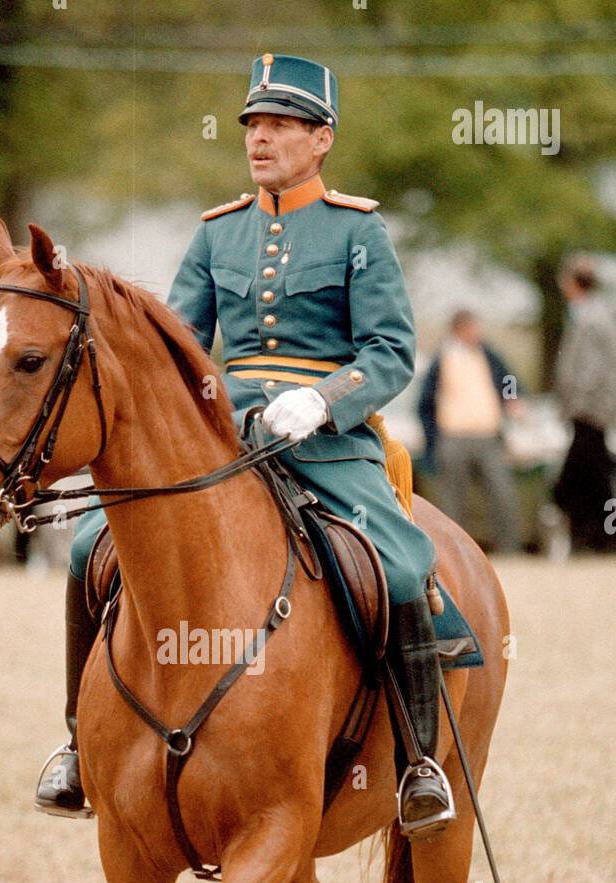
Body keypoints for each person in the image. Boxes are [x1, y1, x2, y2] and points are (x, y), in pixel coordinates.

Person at [36, 52, 456, 841]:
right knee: (89, 545)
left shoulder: (358, 230)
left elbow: (392, 350)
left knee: (401, 563)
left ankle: (419, 767)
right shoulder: (217, 233)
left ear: (321, 138)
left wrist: (324, 400)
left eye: (281, 125)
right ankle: (75, 743)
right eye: (253, 125)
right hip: (223, 438)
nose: (260, 139)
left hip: (325, 445)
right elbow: (177, 347)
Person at [418, 310, 522, 553]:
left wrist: (513, 400)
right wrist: (433, 438)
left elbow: (510, 381)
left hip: (488, 435)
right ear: (459, 329)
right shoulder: (442, 357)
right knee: (454, 501)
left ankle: (510, 549)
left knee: (502, 494)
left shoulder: (488, 354)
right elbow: (425, 402)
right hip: (453, 435)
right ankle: (457, 553)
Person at [552, 255, 616, 553]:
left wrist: (573, 404)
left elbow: (590, 370)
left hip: (589, 409)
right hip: (589, 409)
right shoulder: (591, 314)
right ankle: (593, 535)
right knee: (592, 475)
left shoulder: (591, 318)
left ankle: (596, 534)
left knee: (584, 477)